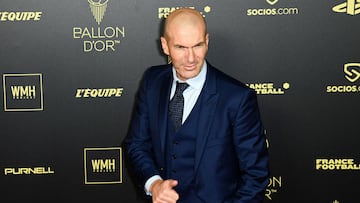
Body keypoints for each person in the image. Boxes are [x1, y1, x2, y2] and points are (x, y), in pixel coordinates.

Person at [123, 8, 269, 203]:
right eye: (181, 47)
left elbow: (255, 175)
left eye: (198, 45)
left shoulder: (237, 98)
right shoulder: (153, 82)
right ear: (165, 46)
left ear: (207, 41)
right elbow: (136, 145)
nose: (191, 58)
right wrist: (154, 184)